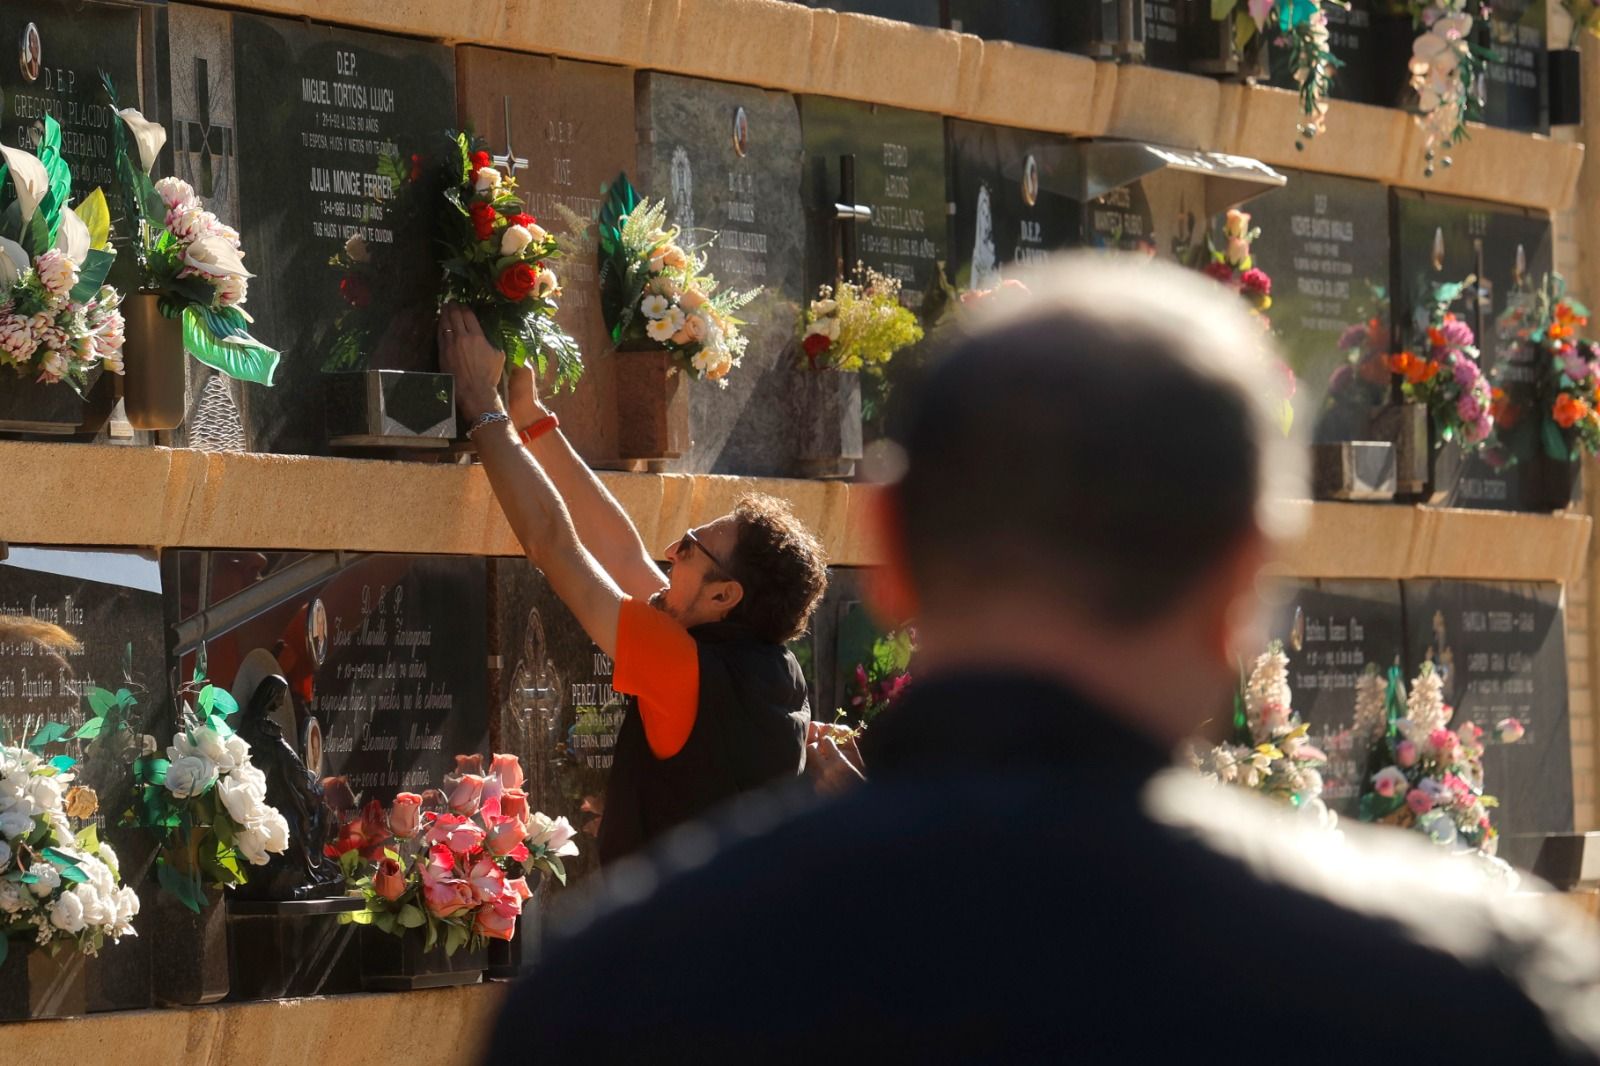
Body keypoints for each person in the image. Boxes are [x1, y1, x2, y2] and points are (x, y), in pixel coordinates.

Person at [483, 256, 1600, 1064]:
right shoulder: (1473, 996)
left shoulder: (615, 995)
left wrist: (502, 416)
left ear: (900, 561)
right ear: (1241, 592)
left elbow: (603, 564)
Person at [438, 306, 826, 865]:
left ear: (725, 595)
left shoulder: (684, 667)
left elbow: (553, 544)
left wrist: (484, 408)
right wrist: (533, 421)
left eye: (691, 546)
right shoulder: (767, 665)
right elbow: (622, 552)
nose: (671, 553)